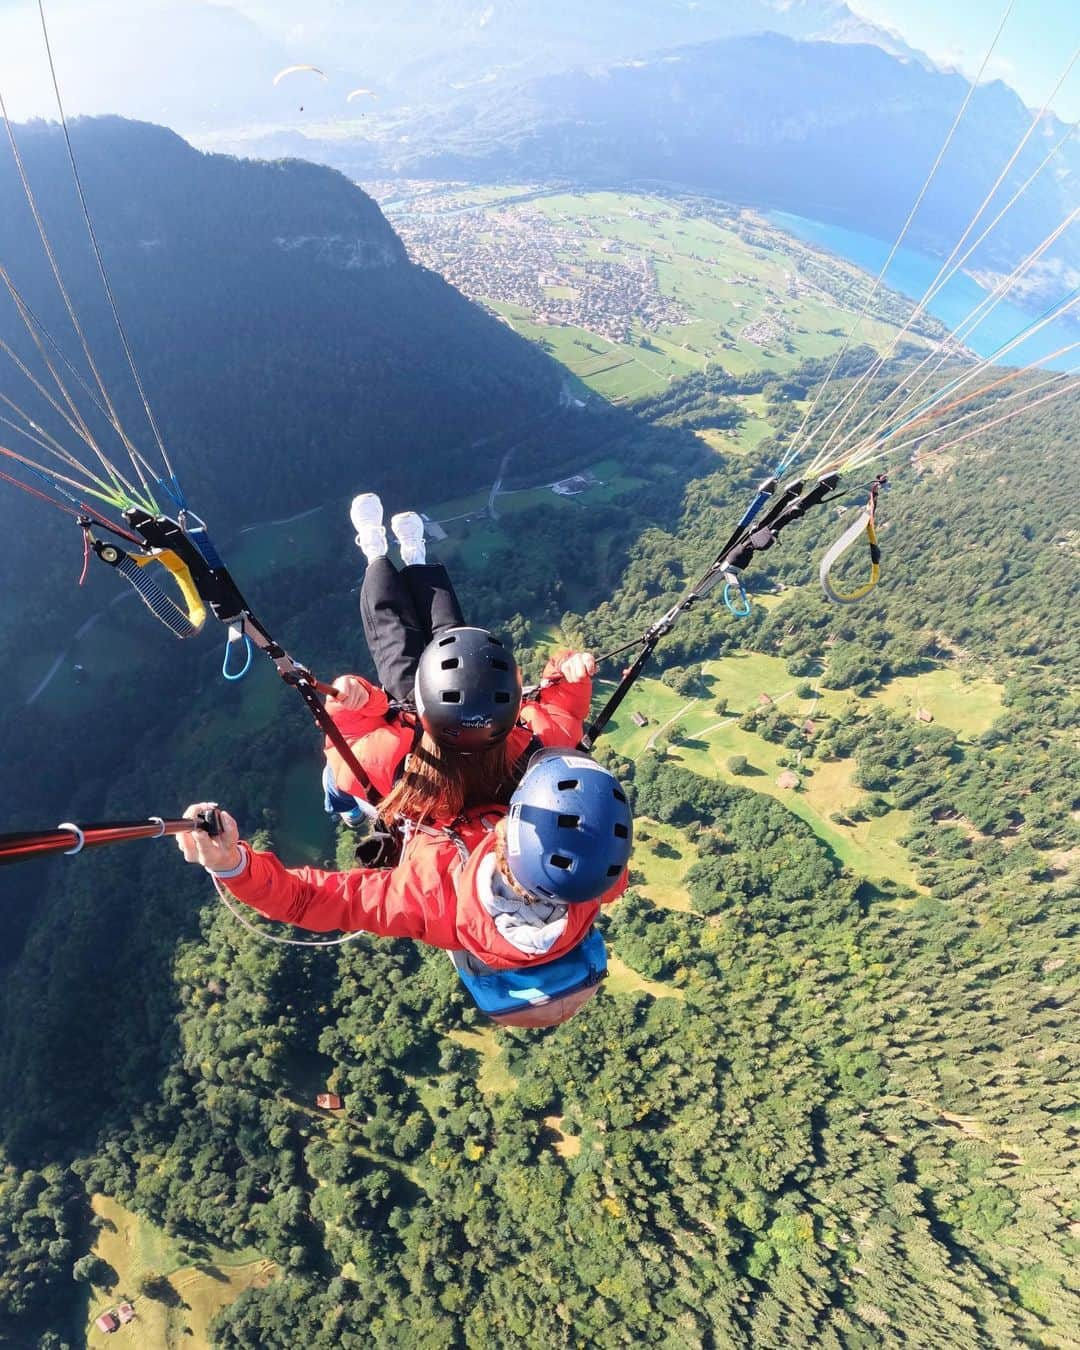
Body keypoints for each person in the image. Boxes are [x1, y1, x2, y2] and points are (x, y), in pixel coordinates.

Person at [179, 749, 634, 1027]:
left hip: (447, 769)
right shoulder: (434, 908)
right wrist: (232, 864)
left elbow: (308, 900)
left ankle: (348, 804)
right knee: (343, 769)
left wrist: (568, 678)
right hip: (438, 770)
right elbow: (308, 901)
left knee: (348, 769)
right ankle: (345, 800)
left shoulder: (593, 881)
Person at [322, 493, 597, 828]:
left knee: (394, 634)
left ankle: (375, 550)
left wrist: (351, 698)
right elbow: (564, 710)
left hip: (412, 715)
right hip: (424, 714)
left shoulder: (396, 764)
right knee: (450, 635)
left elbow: (345, 748)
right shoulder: (535, 749)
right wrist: (570, 671)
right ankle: (413, 558)